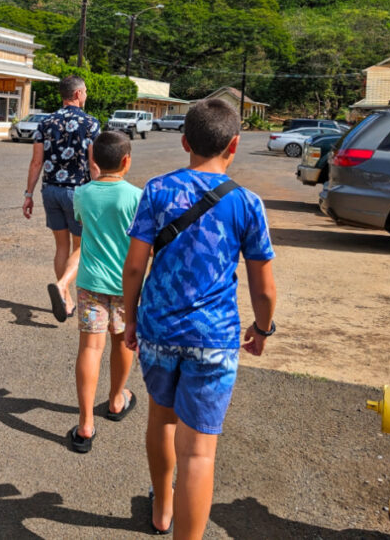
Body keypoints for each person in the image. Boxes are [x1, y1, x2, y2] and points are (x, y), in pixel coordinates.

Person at [121, 99, 277, 537]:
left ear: (185, 141)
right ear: (235, 145)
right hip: (215, 337)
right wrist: (262, 329)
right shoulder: (247, 204)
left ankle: (162, 509)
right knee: (199, 452)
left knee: (161, 418)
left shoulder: (157, 190)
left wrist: (130, 318)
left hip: (159, 329)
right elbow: (263, 288)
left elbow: (134, 267)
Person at [52, 131, 141, 453]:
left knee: (90, 349)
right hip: (125, 285)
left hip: (90, 284)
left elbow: (87, 234)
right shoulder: (136, 197)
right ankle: (117, 400)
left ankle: (86, 423)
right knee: (123, 340)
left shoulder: (83, 194)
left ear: (94, 161)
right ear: (126, 161)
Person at [22, 75, 100, 322]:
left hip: (51, 190)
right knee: (82, 246)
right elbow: (94, 164)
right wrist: (100, 192)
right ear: (77, 94)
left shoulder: (45, 123)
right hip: (78, 192)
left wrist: (28, 194)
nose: (86, 95)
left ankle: (66, 301)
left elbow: (36, 162)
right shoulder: (91, 123)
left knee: (61, 247)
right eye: (85, 91)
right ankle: (63, 286)